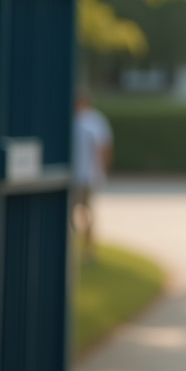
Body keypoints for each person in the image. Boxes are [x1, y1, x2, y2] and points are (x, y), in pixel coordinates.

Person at [72, 90, 112, 257]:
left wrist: (101, 171)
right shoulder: (73, 119)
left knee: (86, 213)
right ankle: (74, 248)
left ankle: (88, 248)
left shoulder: (95, 120)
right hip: (72, 176)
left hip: (87, 176)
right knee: (72, 214)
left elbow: (104, 148)